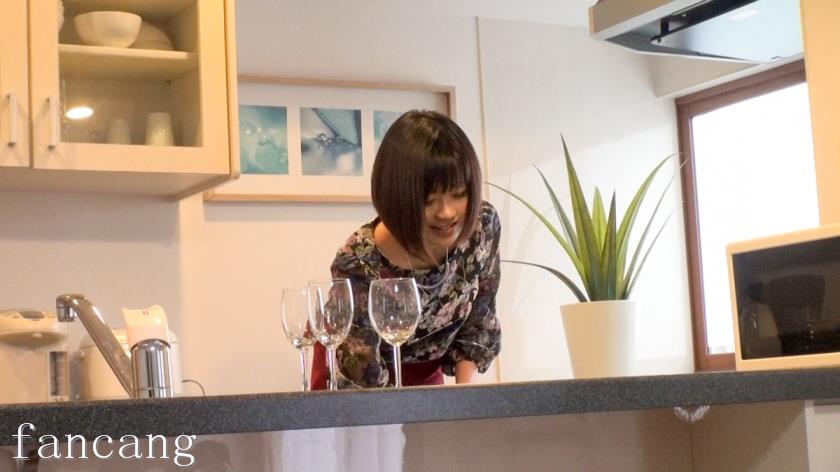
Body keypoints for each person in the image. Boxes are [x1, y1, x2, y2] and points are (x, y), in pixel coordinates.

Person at [311, 110, 501, 388]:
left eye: (459, 194)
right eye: (428, 201)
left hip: (428, 383)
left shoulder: (481, 227)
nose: (446, 212)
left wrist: (461, 400)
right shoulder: (358, 262)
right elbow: (363, 372)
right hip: (358, 386)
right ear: (396, 197)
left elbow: (480, 320)